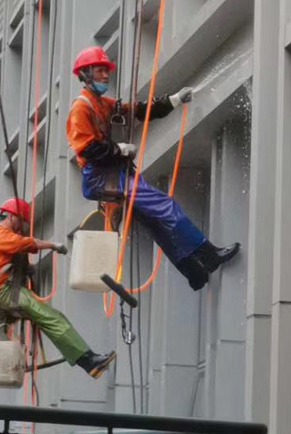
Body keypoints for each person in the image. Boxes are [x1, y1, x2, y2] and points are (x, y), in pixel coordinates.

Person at [66, 46, 241, 291]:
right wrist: (119, 150)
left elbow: (139, 110)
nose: (106, 75)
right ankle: (208, 253)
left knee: (156, 223)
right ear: (85, 74)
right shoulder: (81, 108)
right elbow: (87, 149)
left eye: (106, 71)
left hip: (114, 174)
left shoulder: (101, 103)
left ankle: (193, 271)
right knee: (164, 206)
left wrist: (174, 100)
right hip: (102, 176)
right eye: (99, 70)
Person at [0, 197, 117, 379]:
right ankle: (88, 361)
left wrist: (25, 268)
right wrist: (52, 245)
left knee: (51, 318)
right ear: (12, 216)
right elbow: (25, 243)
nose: (22, 225)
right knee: (51, 317)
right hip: (2, 292)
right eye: (21, 220)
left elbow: (7, 256)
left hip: (1, 291)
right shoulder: (0, 234)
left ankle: (87, 360)